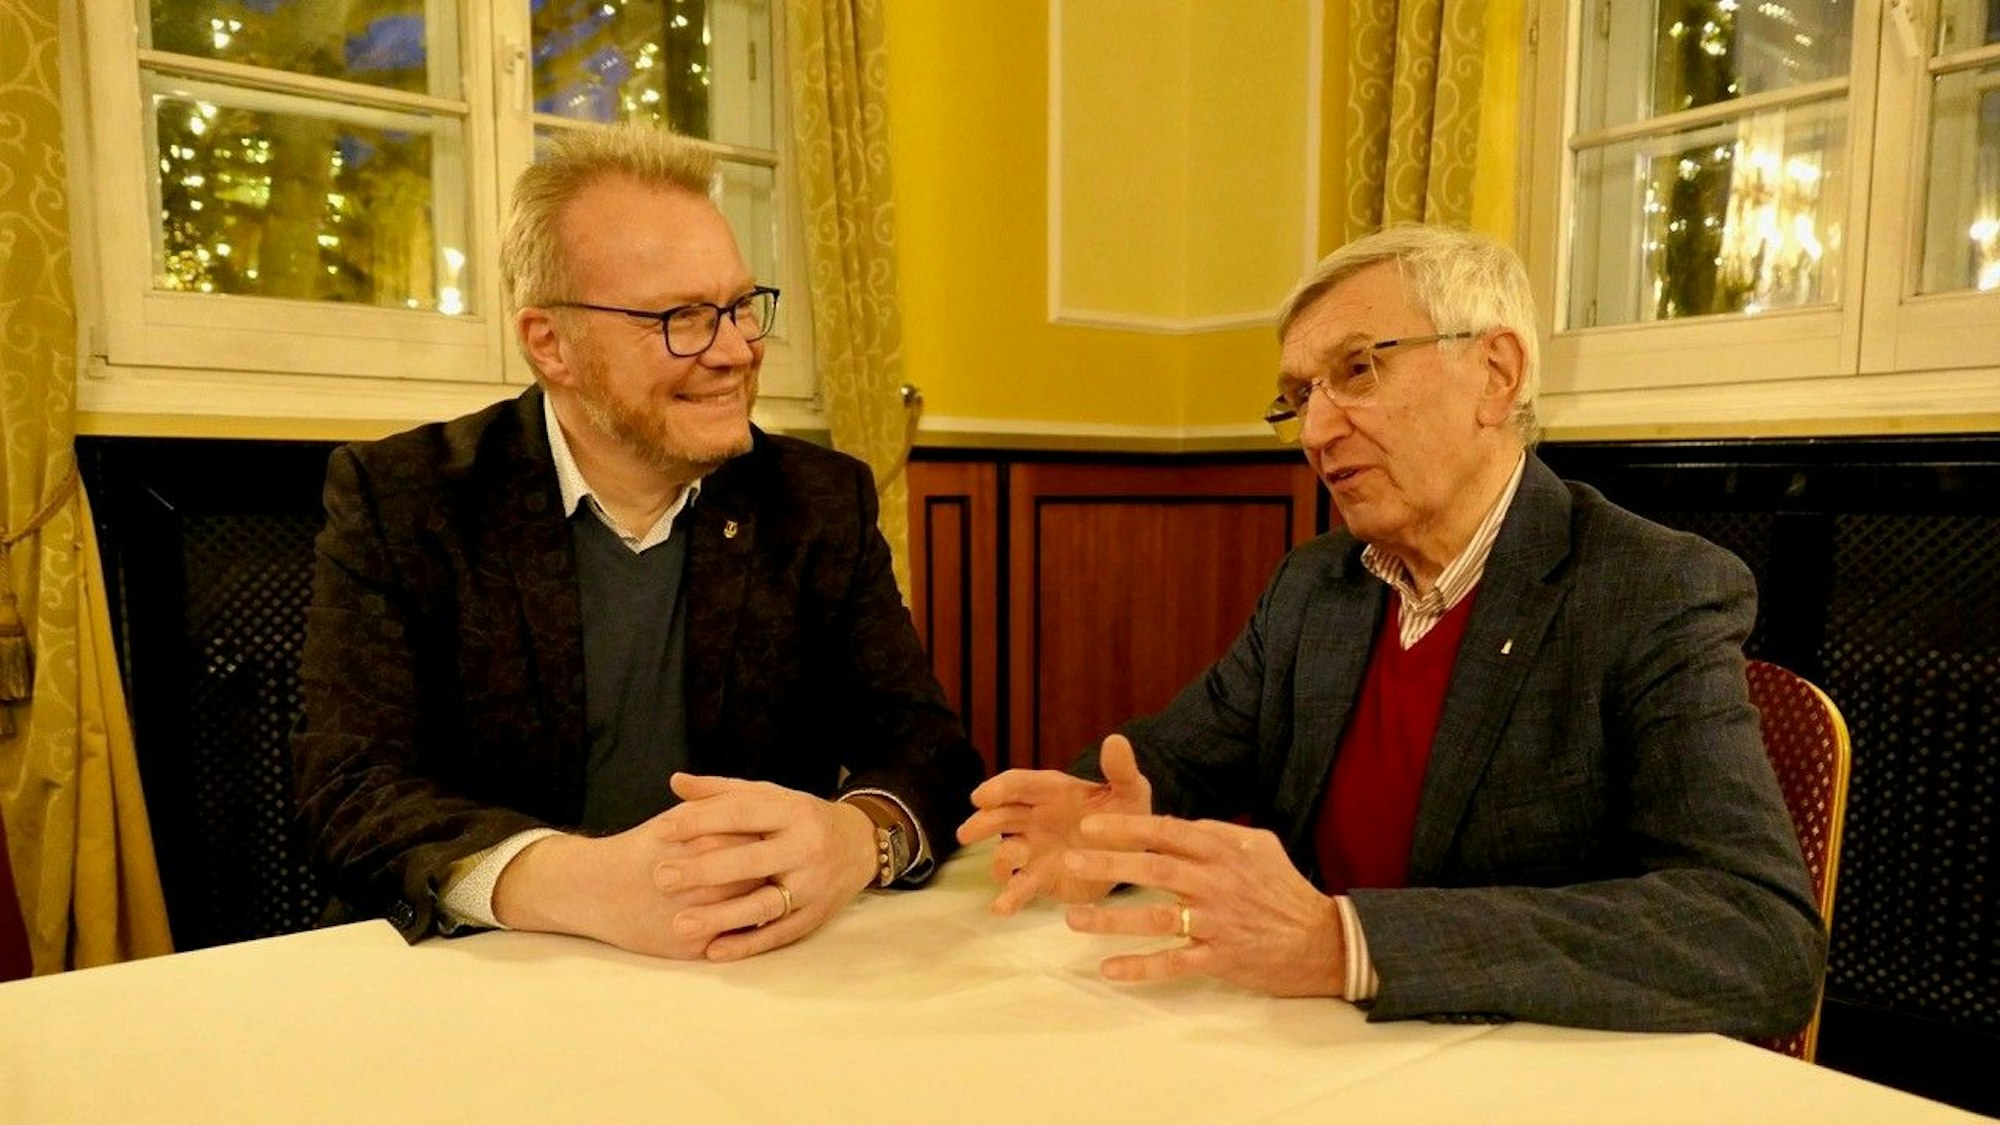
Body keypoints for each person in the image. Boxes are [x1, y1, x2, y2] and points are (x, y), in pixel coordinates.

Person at [958, 226, 1824, 1036]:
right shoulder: (1316, 587)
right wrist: (1111, 821)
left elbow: (1757, 933)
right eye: (1298, 397)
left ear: (1496, 373)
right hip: (1305, 1046)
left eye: (1359, 370)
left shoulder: (1649, 589)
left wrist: (1349, 941)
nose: (1316, 430)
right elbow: (1174, 759)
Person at [293, 124, 982, 963]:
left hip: (753, 972)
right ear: (551, 343)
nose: (735, 351)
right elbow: (349, 790)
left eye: (737, 306)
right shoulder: (405, 499)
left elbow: (926, 747)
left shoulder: (816, 499)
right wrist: (586, 881)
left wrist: (857, 837)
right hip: (487, 977)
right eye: (683, 318)